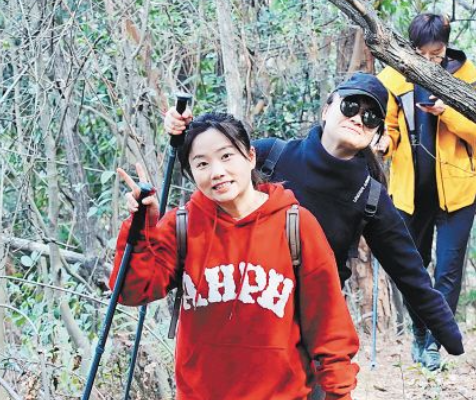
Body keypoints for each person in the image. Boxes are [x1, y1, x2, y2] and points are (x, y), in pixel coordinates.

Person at [165, 72, 465, 368]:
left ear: (377, 132)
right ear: (327, 110)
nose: (359, 119)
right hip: (249, 309)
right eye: (351, 107)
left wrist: (449, 336)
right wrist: (181, 137)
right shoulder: (271, 157)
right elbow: (214, 168)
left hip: (310, 328)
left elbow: (410, 273)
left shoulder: (370, 197)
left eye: (372, 116)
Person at [111, 113, 361, 399]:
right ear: (191, 173)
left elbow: (328, 321)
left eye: (226, 156)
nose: (216, 171)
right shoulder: (182, 225)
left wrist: (338, 392)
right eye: (202, 164)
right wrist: (141, 227)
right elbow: (131, 291)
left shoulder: (295, 224)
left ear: (251, 156)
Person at [377, 13, 476, 370]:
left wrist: (449, 112)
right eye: (423, 54)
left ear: (446, 45)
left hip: (459, 190)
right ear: (412, 49)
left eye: (437, 53)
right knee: (411, 268)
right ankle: (418, 328)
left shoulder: (466, 75)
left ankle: (433, 345)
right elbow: (390, 128)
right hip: (411, 192)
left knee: (448, 270)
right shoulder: (394, 77)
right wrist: (383, 142)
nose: (430, 60)